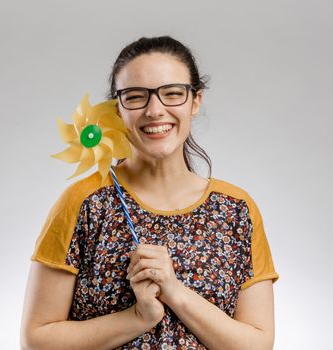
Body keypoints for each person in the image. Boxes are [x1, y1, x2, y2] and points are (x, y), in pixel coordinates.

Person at [20, 35, 279, 349]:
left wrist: (175, 292)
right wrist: (137, 317)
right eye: (136, 96)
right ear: (117, 109)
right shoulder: (85, 203)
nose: (155, 110)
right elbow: (36, 340)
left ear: (195, 101)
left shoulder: (236, 210)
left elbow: (257, 345)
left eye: (172, 93)